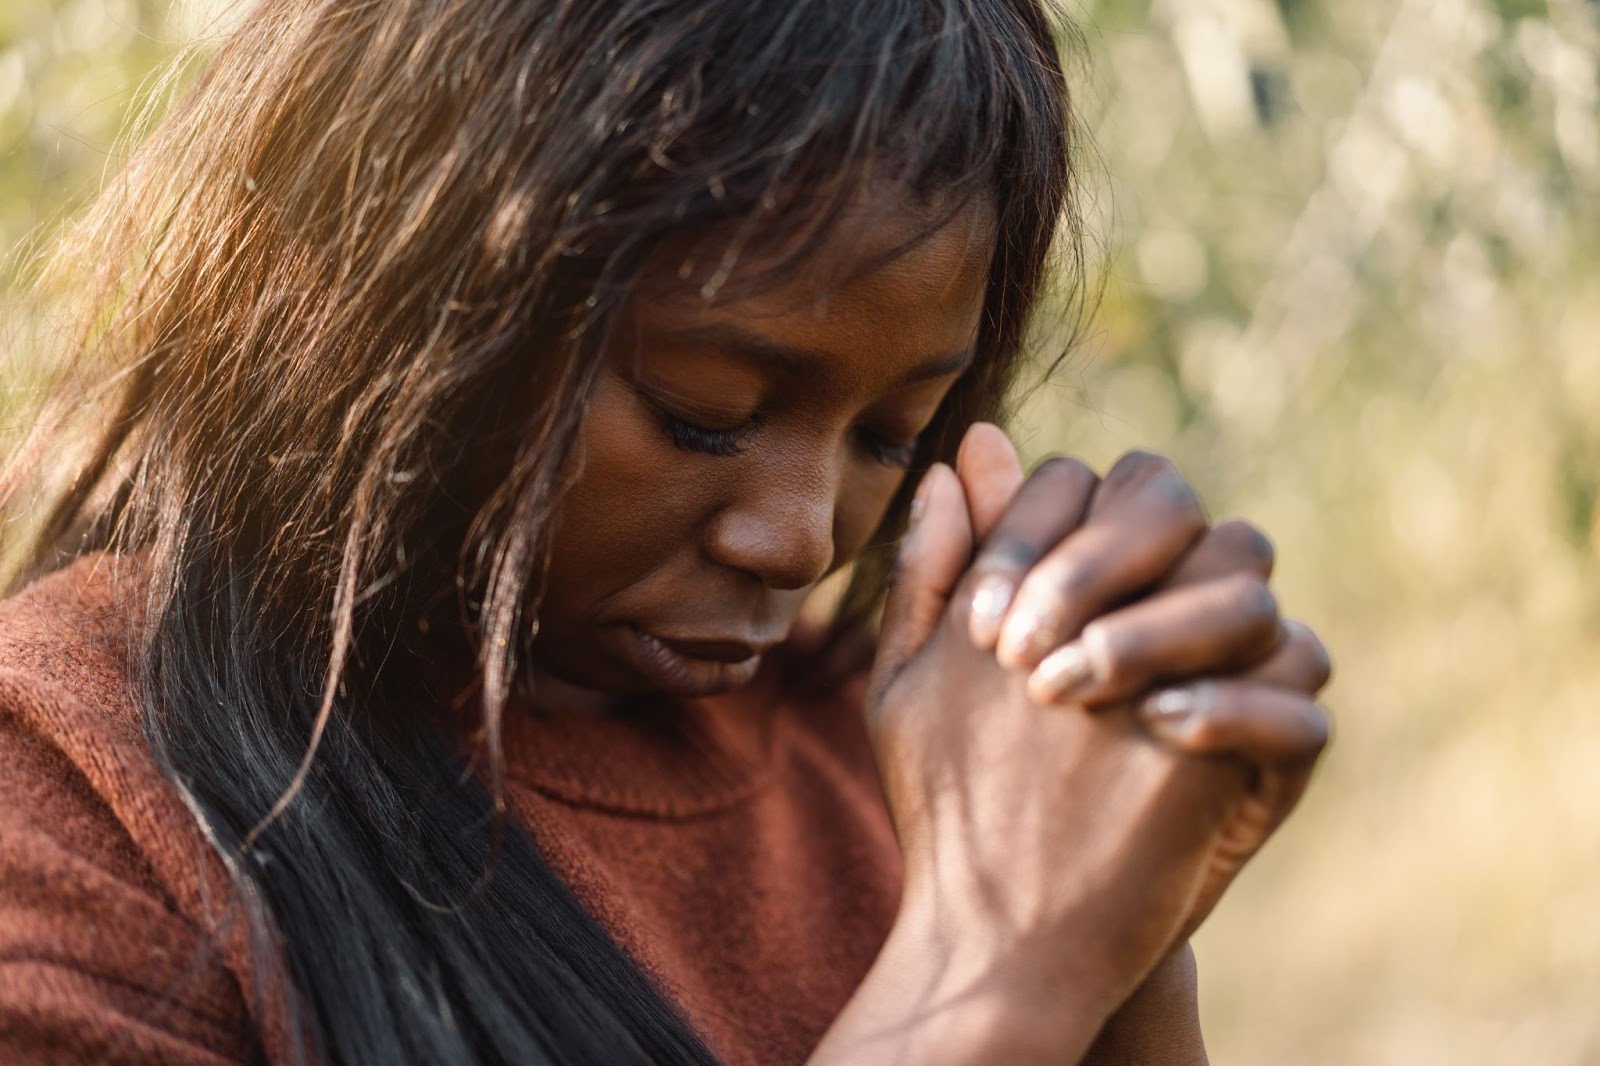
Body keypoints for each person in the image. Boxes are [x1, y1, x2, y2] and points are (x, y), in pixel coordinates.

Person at [0, 0, 1332, 1063]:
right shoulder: (80, 807)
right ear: (407, 289)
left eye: (893, 435)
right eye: (706, 412)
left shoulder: (874, 752)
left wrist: (1123, 925)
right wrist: (993, 968)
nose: (802, 539)